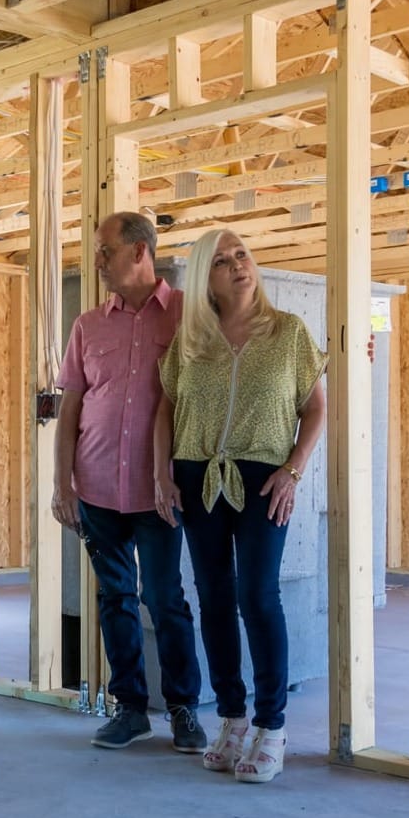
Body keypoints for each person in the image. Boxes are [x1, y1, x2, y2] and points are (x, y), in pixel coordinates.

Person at [153, 229, 328, 784]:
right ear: (207, 276)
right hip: (196, 474)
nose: (237, 266)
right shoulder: (191, 341)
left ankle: (270, 726)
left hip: (262, 478)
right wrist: (162, 472)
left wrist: (293, 471)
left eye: (242, 255)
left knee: (257, 596)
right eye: (223, 261)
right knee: (213, 597)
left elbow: (316, 409)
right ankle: (231, 719)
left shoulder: (288, 333)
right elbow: (166, 409)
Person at [53, 212, 207, 753]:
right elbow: (71, 403)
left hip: (159, 492)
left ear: (139, 251)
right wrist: (62, 482)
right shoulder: (88, 325)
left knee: (164, 599)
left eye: (104, 251)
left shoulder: (189, 316)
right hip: (95, 488)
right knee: (114, 598)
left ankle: (185, 709)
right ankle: (130, 708)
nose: (96, 261)